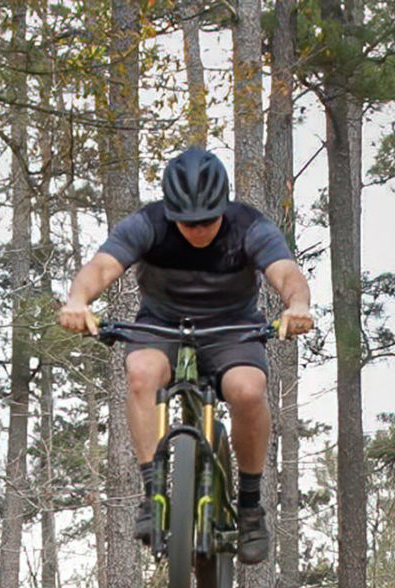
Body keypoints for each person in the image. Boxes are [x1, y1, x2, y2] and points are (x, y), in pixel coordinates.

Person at [59, 147, 313, 565]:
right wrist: (77, 300)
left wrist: (297, 305)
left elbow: (286, 274)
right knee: (141, 372)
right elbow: (101, 268)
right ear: (171, 211)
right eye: (187, 222)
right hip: (162, 324)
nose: (197, 230)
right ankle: (152, 492)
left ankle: (250, 507)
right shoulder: (149, 224)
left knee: (248, 391)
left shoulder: (248, 226)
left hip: (232, 327)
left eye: (208, 220)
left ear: (224, 208)